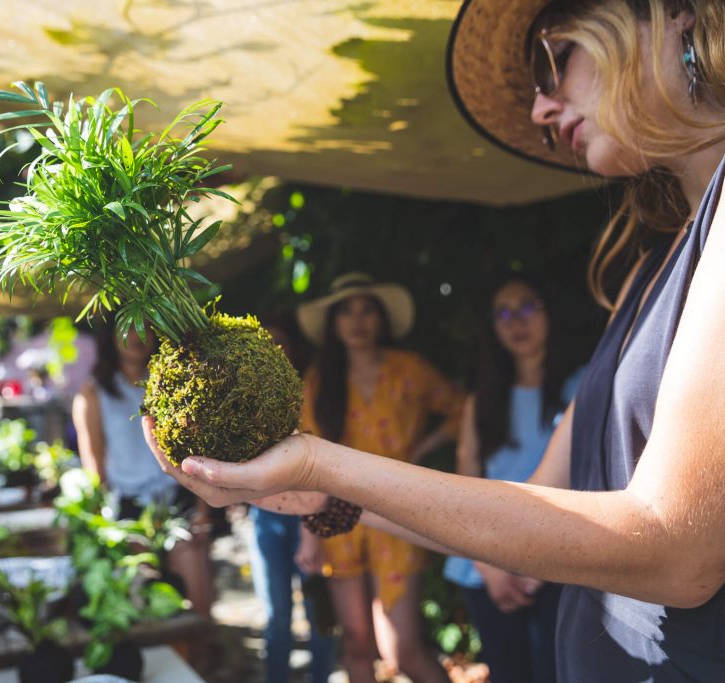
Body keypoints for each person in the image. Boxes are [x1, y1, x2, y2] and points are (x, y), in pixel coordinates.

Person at [144, 1, 725, 680]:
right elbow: (540, 509)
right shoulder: (653, 267)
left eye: (549, 63)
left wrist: (319, 464)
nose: (540, 111)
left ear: (674, 14)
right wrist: (323, 496)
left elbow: (674, 553)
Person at [294, 273, 464, 683]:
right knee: (354, 643)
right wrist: (310, 534)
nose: (358, 320)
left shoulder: (409, 369)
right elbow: (306, 455)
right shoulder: (320, 380)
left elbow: (462, 409)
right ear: (334, 323)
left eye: (367, 309)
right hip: (337, 516)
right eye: (347, 311)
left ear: (382, 318)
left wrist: (420, 450)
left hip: (399, 512)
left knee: (402, 650)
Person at [443, 275, 583, 683]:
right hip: (487, 562)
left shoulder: (585, 385)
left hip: (564, 561)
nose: (516, 322)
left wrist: (540, 564)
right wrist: (486, 562)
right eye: (503, 313)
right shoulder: (481, 402)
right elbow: (463, 486)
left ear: (548, 310)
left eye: (526, 306)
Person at [72, 319, 215, 618]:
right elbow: (95, 468)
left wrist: (203, 507)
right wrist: (104, 528)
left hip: (176, 499)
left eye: (145, 327)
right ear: (110, 336)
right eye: (126, 327)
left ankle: (201, 657)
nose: (137, 336)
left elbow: (195, 450)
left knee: (198, 600)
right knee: (142, 602)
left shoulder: (170, 384)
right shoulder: (93, 394)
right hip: (128, 509)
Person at [248, 311, 334, 683]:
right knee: (277, 611)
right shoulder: (246, 395)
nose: (273, 350)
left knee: (317, 607)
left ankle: (320, 675)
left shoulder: (310, 389)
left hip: (309, 511)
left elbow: (325, 456)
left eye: (279, 342)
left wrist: (313, 527)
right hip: (267, 514)